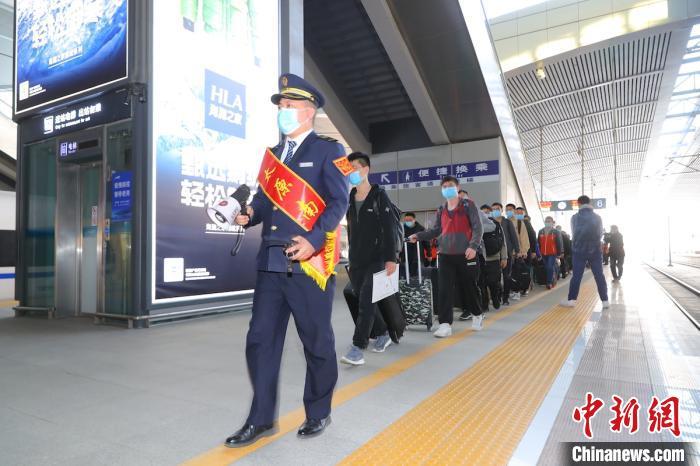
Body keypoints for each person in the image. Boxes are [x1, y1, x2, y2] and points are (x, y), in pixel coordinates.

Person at [226, 74, 349, 447]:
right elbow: (265, 201)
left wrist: (314, 241)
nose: (283, 112)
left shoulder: (332, 151)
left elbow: (338, 202)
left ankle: (318, 411)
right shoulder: (274, 156)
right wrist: (249, 213)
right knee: (259, 340)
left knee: (315, 340)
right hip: (271, 260)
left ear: (309, 112)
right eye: (281, 107)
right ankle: (261, 418)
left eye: (289, 107)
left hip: (308, 264)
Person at [341, 152, 398, 365]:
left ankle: (358, 347)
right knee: (365, 299)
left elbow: (389, 229)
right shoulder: (349, 197)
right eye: (348, 169)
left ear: (365, 170)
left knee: (366, 301)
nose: (351, 173)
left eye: (354, 168)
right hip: (356, 260)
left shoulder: (379, 195)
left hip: (377, 258)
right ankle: (382, 333)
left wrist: (390, 259)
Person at [409, 176, 484, 336]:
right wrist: (419, 235)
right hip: (445, 254)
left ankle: (477, 314)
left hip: (466, 254)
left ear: (458, 187)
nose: (447, 188)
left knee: (469, 287)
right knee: (444, 290)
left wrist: (473, 246)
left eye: (450, 185)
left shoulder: (468, 205)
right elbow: (436, 230)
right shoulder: (441, 209)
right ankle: (445, 324)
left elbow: (478, 228)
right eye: (444, 186)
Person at [561, 195, 609, 309]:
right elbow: (600, 233)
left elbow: (574, 234)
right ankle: (605, 301)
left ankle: (571, 300)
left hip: (579, 250)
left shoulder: (574, 217)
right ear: (590, 203)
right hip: (595, 250)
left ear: (578, 204)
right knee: (599, 275)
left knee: (577, 276)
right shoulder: (598, 217)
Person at [479, 204, 507, 310]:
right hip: (481, 258)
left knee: (493, 282)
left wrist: (504, 258)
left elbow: (503, 242)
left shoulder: (496, 224)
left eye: (487, 212)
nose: (485, 214)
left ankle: (495, 297)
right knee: (482, 283)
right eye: (483, 212)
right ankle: (484, 305)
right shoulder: (476, 224)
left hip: (494, 258)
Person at [491, 202, 519, 306]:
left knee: (506, 276)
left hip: (507, 254)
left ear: (501, 210)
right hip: (494, 254)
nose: (495, 211)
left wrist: (517, 250)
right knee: (496, 277)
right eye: (493, 209)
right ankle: (497, 296)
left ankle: (505, 297)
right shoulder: (490, 222)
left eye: (497, 209)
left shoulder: (507, 222)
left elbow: (514, 237)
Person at [537, 216, 564, 289]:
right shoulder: (541, 231)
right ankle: (554, 276)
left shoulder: (556, 232)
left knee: (549, 267)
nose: (547, 222)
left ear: (552, 222)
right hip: (543, 253)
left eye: (549, 221)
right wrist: (538, 253)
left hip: (552, 253)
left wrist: (560, 253)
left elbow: (559, 243)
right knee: (548, 267)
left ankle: (549, 282)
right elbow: (538, 243)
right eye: (546, 221)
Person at [401, 212, 428, 278]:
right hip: (405, 254)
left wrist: (429, 253)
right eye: (406, 220)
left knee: (415, 272)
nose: (408, 222)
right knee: (405, 272)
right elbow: (399, 241)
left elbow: (426, 241)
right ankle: (407, 283)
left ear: (414, 220)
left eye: (410, 220)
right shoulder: (402, 229)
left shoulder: (421, 228)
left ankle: (415, 283)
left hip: (417, 254)